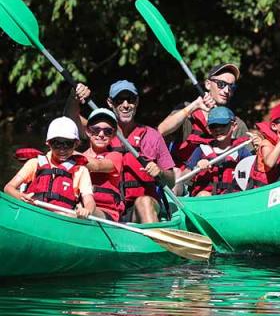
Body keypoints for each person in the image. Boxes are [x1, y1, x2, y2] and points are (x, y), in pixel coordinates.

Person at [66, 80, 176, 223]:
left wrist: (160, 172)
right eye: (119, 100)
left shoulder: (152, 135)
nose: (125, 105)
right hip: (109, 208)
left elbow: (172, 181)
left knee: (144, 203)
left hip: (142, 207)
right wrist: (73, 97)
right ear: (110, 103)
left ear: (136, 102)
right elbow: (68, 121)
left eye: (130, 100)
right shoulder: (101, 132)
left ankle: (155, 241)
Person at [157, 63, 249, 168]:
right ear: (208, 84)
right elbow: (161, 130)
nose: (227, 90)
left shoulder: (236, 124)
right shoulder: (188, 110)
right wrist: (194, 106)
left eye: (231, 86)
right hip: (185, 178)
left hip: (215, 182)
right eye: (221, 84)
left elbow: (251, 160)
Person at [4, 116, 96, 219]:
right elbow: (8, 187)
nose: (62, 150)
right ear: (48, 143)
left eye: (68, 144)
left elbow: (89, 199)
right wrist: (19, 196)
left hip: (62, 217)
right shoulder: (34, 163)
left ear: (76, 144)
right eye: (57, 144)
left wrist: (87, 210)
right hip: (33, 211)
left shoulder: (80, 170)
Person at [183, 107, 254, 196]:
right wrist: (196, 167)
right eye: (213, 126)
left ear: (234, 126)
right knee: (203, 195)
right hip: (208, 198)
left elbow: (255, 171)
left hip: (232, 196)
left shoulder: (240, 149)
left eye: (223, 125)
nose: (218, 129)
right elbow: (184, 177)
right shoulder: (202, 149)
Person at [82, 108, 124, 222]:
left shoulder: (116, 156)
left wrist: (68, 155)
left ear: (114, 134)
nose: (101, 134)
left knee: (82, 211)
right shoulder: (79, 156)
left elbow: (97, 165)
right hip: (80, 206)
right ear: (88, 131)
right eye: (96, 130)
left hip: (107, 214)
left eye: (107, 131)